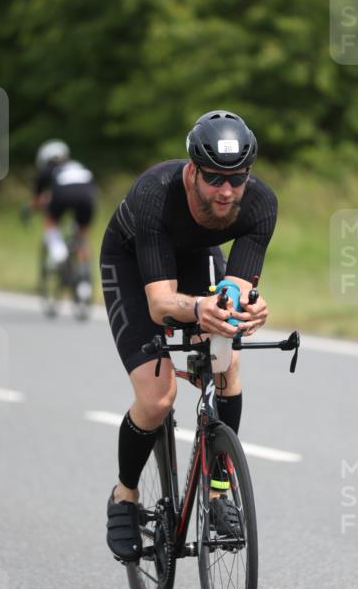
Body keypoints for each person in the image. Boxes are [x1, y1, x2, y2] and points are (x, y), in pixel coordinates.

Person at [100, 109, 277, 562]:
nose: (226, 190)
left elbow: (233, 292)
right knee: (158, 398)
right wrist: (200, 310)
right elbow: (161, 304)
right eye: (215, 178)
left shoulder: (259, 204)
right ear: (193, 170)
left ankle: (219, 491)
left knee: (227, 363)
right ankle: (124, 495)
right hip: (135, 262)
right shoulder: (154, 195)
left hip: (197, 257)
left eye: (236, 179)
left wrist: (244, 310)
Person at [30, 140, 96, 288]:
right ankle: (85, 283)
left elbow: (38, 198)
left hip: (62, 196)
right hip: (88, 196)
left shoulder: (49, 170)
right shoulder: (78, 165)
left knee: (50, 223)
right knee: (82, 235)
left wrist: (31, 209)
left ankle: (60, 257)